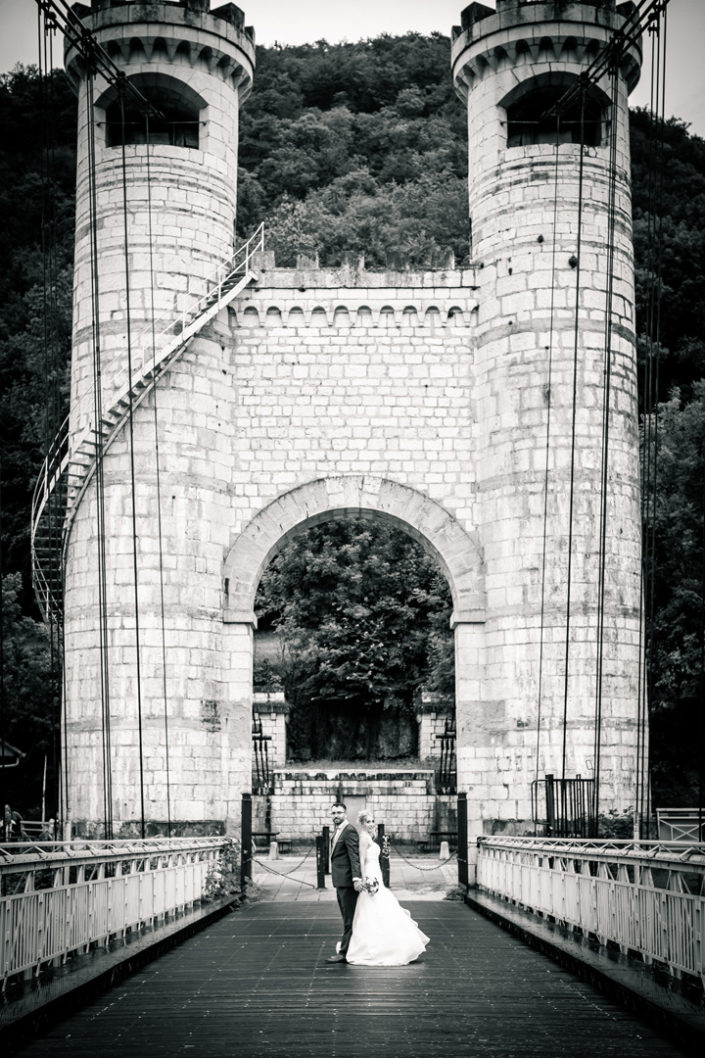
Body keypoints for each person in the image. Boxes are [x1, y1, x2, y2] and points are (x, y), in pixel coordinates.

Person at [346, 809, 430, 966]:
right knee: (373, 906)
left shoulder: (372, 836)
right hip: (370, 873)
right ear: (362, 824)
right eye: (368, 822)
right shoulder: (364, 838)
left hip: (376, 872)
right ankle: (375, 945)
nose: (371, 824)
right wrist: (365, 879)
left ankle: (390, 943)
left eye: (372, 821)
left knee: (383, 904)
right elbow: (362, 859)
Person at [326, 801, 363, 963]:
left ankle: (344, 952)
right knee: (347, 917)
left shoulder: (349, 831)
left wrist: (356, 878)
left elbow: (354, 857)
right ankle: (352, 948)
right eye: (333, 813)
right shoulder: (337, 831)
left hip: (348, 882)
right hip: (340, 881)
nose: (336, 816)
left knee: (349, 918)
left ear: (345, 814)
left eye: (339, 813)